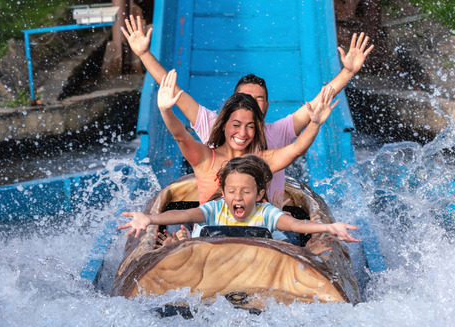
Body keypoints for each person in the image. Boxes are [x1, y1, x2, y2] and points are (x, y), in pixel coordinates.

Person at [122, 15, 374, 202]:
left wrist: (348, 72)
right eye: (245, 97)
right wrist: (144, 55)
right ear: (233, 106)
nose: (251, 102)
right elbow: (173, 93)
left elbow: (316, 109)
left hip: (266, 217)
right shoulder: (210, 133)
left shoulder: (277, 136)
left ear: (267, 106)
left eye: (259, 98)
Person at [158, 70, 336, 204]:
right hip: (211, 239)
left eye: (250, 127)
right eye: (236, 125)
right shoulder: (205, 158)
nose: (242, 133)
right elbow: (180, 135)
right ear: (224, 124)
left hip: (255, 240)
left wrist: (315, 124)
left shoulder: (262, 161)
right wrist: (165, 110)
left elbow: (298, 149)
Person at [119, 155, 361, 247]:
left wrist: (328, 227)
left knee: (287, 243)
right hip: (213, 264)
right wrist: (149, 218)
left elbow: (297, 226)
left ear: (259, 195)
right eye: (231, 191)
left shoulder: (265, 213)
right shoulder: (216, 209)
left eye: (246, 192)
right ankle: (178, 244)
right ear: (223, 193)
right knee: (184, 239)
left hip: (254, 267)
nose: (238, 197)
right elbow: (182, 215)